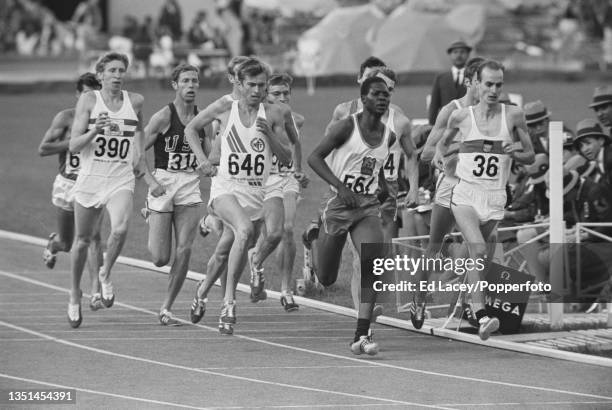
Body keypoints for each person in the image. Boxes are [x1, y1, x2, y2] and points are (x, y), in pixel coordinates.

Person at [184, 57, 291, 335]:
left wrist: (270, 136)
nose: (257, 90)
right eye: (251, 85)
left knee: (225, 251)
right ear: (240, 85)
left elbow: (287, 157)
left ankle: (202, 291)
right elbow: (191, 129)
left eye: (261, 85)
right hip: (225, 189)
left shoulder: (275, 114)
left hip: (255, 193)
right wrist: (202, 160)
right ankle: (229, 304)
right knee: (243, 231)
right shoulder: (224, 107)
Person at [438, 60, 535, 340]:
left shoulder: (514, 115)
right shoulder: (461, 117)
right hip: (466, 194)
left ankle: (462, 294)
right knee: (478, 249)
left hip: (494, 197)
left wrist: (515, 152)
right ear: (476, 84)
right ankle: (482, 317)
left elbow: (530, 155)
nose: (493, 90)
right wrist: (453, 162)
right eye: (488, 83)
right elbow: (441, 147)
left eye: (499, 84)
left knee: (478, 260)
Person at [307, 76, 399, 355]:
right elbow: (314, 157)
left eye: (386, 95)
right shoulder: (346, 126)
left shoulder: (389, 136)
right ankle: (312, 241)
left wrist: (384, 192)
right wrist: (340, 186)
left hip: (366, 208)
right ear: (363, 98)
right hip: (338, 207)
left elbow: (376, 168)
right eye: (376, 94)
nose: (383, 98)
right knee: (326, 278)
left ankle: (362, 334)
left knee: (373, 259)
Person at [317, 66, 418, 317]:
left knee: (378, 255)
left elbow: (411, 155)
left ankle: (365, 317)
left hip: (385, 193)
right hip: (348, 195)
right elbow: (326, 150)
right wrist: (339, 186)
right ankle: (362, 309)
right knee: (355, 259)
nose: (385, 95)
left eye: (390, 91)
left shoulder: (400, 122)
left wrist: (412, 188)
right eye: (380, 90)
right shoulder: (345, 113)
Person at [68, 52, 145, 328]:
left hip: (120, 178)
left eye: (121, 70)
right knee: (82, 241)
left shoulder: (135, 101)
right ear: (100, 75)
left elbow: (139, 130)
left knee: (121, 229)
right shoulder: (89, 101)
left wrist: (139, 157)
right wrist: (94, 132)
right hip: (90, 178)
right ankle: (75, 293)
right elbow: (74, 145)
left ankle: (105, 273)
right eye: (111, 70)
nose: (117, 75)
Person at [411, 57, 484, 329]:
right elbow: (427, 153)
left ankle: (476, 306)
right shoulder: (451, 111)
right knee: (434, 247)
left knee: (483, 246)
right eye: (481, 83)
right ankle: (419, 299)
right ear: (469, 82)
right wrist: (458, 149)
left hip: (479, 190)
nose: (487, 90)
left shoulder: (495, 115)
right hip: (450, 186)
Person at [140, 64, 209, 326]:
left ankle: (167, 307)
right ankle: (150, 211)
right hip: (164, 182)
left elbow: (210, 153)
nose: (191, 86)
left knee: (185, 248)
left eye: (195, 81)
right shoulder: (163, 117)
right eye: (186, 81)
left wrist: (210, 163)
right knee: (159, 258)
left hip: (189, 186)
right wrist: (150, 180)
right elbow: (136, 153)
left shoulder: (203, 120)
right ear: (175, 85)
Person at [39, 73, 105, 311]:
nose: (91, 98)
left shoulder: (104, 118)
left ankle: (96, 290)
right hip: (68, 184)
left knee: (93, 237)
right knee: (68, 243)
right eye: (86, 93)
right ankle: (53, 244)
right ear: (78, 94)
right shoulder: (66, 118)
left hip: (92, 184)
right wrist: (75, 141)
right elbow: (43, 148)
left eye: (95, 94)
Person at [249, 72, 308, 311]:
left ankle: (286, 290)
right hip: (262, 179)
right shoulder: (255, 118)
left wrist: (299, 170)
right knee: (263, 233)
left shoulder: (297, 120)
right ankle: (256, 262)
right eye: (276, 93)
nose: (282, 97)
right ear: (265, 94)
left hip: (287, 178)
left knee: (288, 229)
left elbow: (295, 146)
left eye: (286, 93)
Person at [428, 40, 472, 125]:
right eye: (455, 52)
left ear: (468, 55)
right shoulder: (441, 78)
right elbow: (434, 104)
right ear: (450, 55)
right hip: (446, 124)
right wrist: (432, 125)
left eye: (462, 52)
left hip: (468, 123)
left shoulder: (474, 77)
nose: (459, 55)